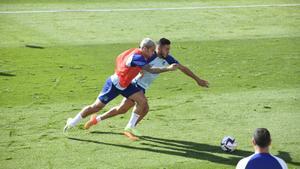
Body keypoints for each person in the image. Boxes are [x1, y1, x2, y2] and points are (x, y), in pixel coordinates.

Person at [84, 38, 209, 140]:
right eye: (167, 49)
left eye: (169, 49)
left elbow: (182, 68)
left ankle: (101, 121)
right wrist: (143, 70)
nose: (168, 51)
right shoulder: (149, 55)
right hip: (135, 84)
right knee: (133, 107)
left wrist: (197, 79)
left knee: (125, 109)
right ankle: (126, 128)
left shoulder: (168, 59)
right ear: (159, 48)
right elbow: (139, 64)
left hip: (143, 87)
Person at [63, 38, 178, 132]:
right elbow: (151, 70)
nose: (153, 53)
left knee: (142, 101)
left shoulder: (136, 52)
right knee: (96, 107)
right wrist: (167, 68)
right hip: (114, 84)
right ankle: (72, 122)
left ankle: (130, 127)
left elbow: (120, 57)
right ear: (144, 48)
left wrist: (135, 70)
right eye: (152, 50)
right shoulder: (137, 57)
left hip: (126, 84)